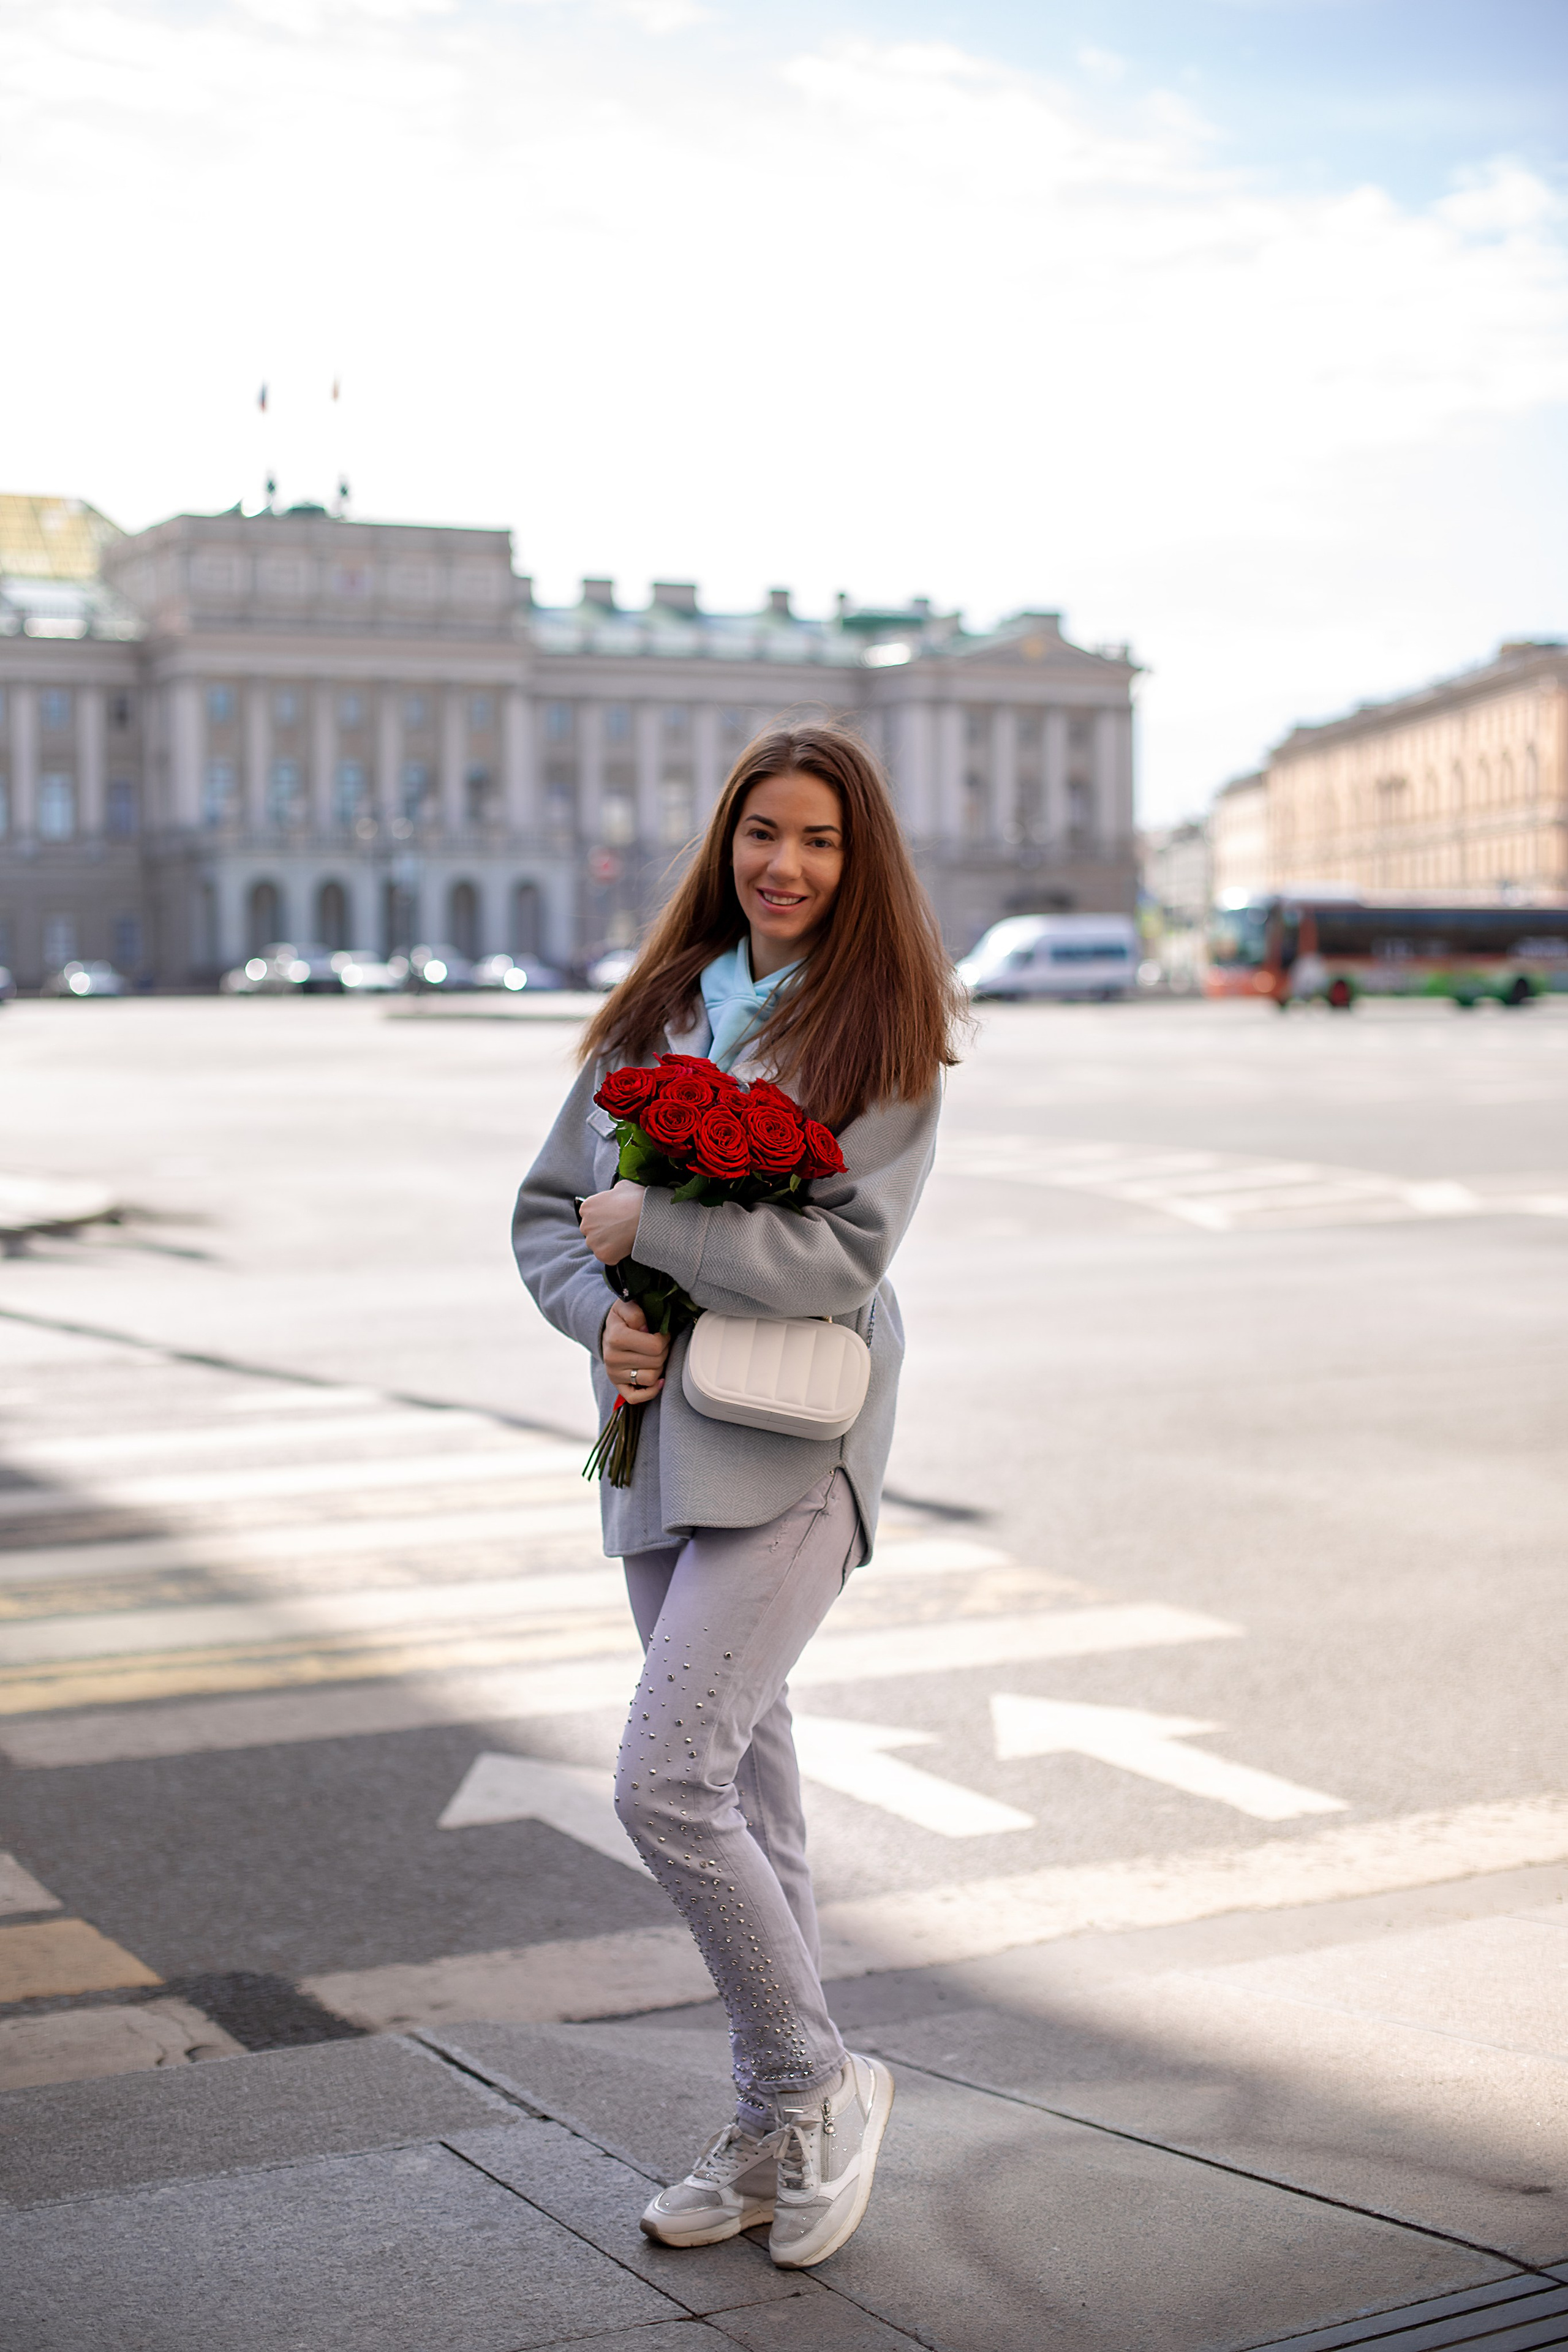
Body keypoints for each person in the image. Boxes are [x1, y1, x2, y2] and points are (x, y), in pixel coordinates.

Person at [512, 719, 960, 2269]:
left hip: (791, 1444)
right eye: (763, 833)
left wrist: (665, 1232)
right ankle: (777, 2129)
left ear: (860, 863)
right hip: (654, 1440)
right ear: (727, 843)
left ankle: (813, 2083)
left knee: (664, 1781)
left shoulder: (886, 1033)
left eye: (821, 841)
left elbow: (845, 1252)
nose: (786, 865)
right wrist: (604, 1312)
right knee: (747, 1798)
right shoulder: (654, 1013)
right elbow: (549, 1218)